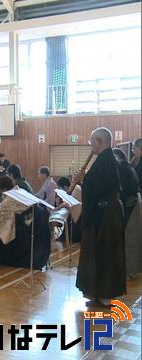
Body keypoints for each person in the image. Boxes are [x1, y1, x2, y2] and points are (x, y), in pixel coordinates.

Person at [74, 127, 126, 307]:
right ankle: (96, 292)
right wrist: (85, 179)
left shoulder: (108, 160)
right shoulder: (105, 159)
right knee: (97, 252)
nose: (90, 145)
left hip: (105, 214)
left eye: (91, 141)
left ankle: (105, 294)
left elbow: (96, 188)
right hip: (102, 212)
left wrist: (82, 180)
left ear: (99, 141)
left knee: (105, 252)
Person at [0, 176, 51, 269]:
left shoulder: (12, 197)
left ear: (4, 188)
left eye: (0, 189)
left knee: (5, 229)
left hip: (29, 226)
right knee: (6, 224)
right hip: (35, 221)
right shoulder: (19, 190)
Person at [113, 148, 142, 279]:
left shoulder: (123, 169)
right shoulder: (127, 167)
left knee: (130, 241)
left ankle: (130, 272)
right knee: (130, 240)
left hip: (131, 204)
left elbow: (124, 191)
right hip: (133, 203)